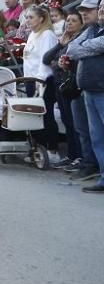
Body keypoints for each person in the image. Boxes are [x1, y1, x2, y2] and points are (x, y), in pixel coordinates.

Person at [64, 0, 104, 192]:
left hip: (102, 91)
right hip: (89, 90)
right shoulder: (90, 30)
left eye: (89, 9)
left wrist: (85, 48)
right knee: (97, 137)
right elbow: (71, 50)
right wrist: (90, 48)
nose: (84, 13)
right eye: (82, 10)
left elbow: (82, 49)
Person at [45, 10, 84, 167]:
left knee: (76, 123)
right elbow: (47, 59)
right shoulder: (63, 40)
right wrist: (59, 45)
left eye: (73, 21)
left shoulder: (81, 39)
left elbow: (74, 61)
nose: (69, 23)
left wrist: (61, 65)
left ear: (81, 24)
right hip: (61, 86)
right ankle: (71, 154)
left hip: (74, 87)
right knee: (67, 122)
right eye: (67, 20)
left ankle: (80, 157)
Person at [22, 5, 60, 160]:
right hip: (31, 80)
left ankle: (52, 150)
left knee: (46, 115)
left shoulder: (47, 35)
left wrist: (40, 81)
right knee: (34, 116)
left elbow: (45, 61)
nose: (27, 21)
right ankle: (38, 149)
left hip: (44, 81)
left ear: (41, 18)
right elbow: (29, 59)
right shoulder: (32, 35)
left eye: (31, 17)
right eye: (27, 17)